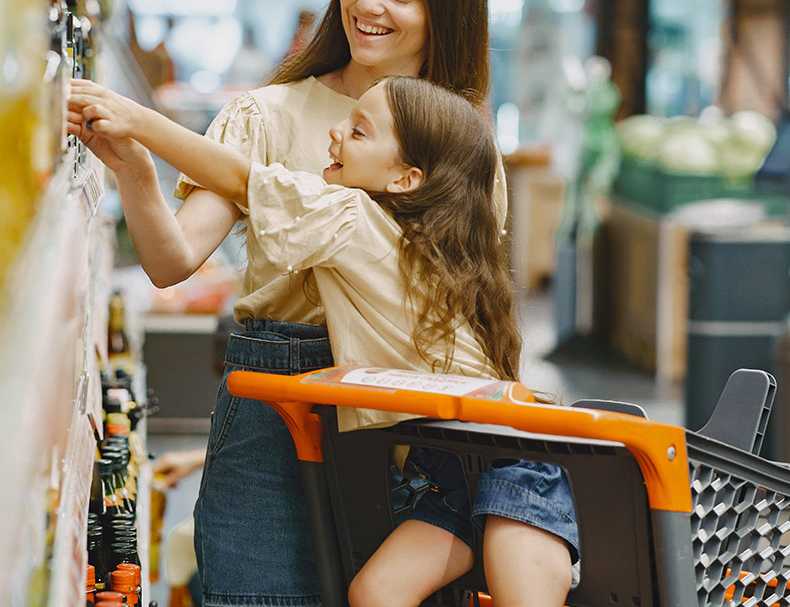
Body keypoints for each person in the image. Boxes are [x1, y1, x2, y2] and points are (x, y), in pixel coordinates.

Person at [68, 0, 506, 607]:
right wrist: (137, 173)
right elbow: (174, 259)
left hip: (416, 424)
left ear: (446, 12)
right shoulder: (267, 113)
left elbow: (470, 294)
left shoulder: (461, 142)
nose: (368, 4)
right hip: (276, 399)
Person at [70, 75, 578, 607]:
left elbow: (243, 178)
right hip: (445, 474)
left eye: (359, 131)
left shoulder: (357, 218)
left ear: (406, 178)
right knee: (374, 593)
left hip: (512, 460)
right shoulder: (422, 243)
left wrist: (139, 122)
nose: (334, 133)